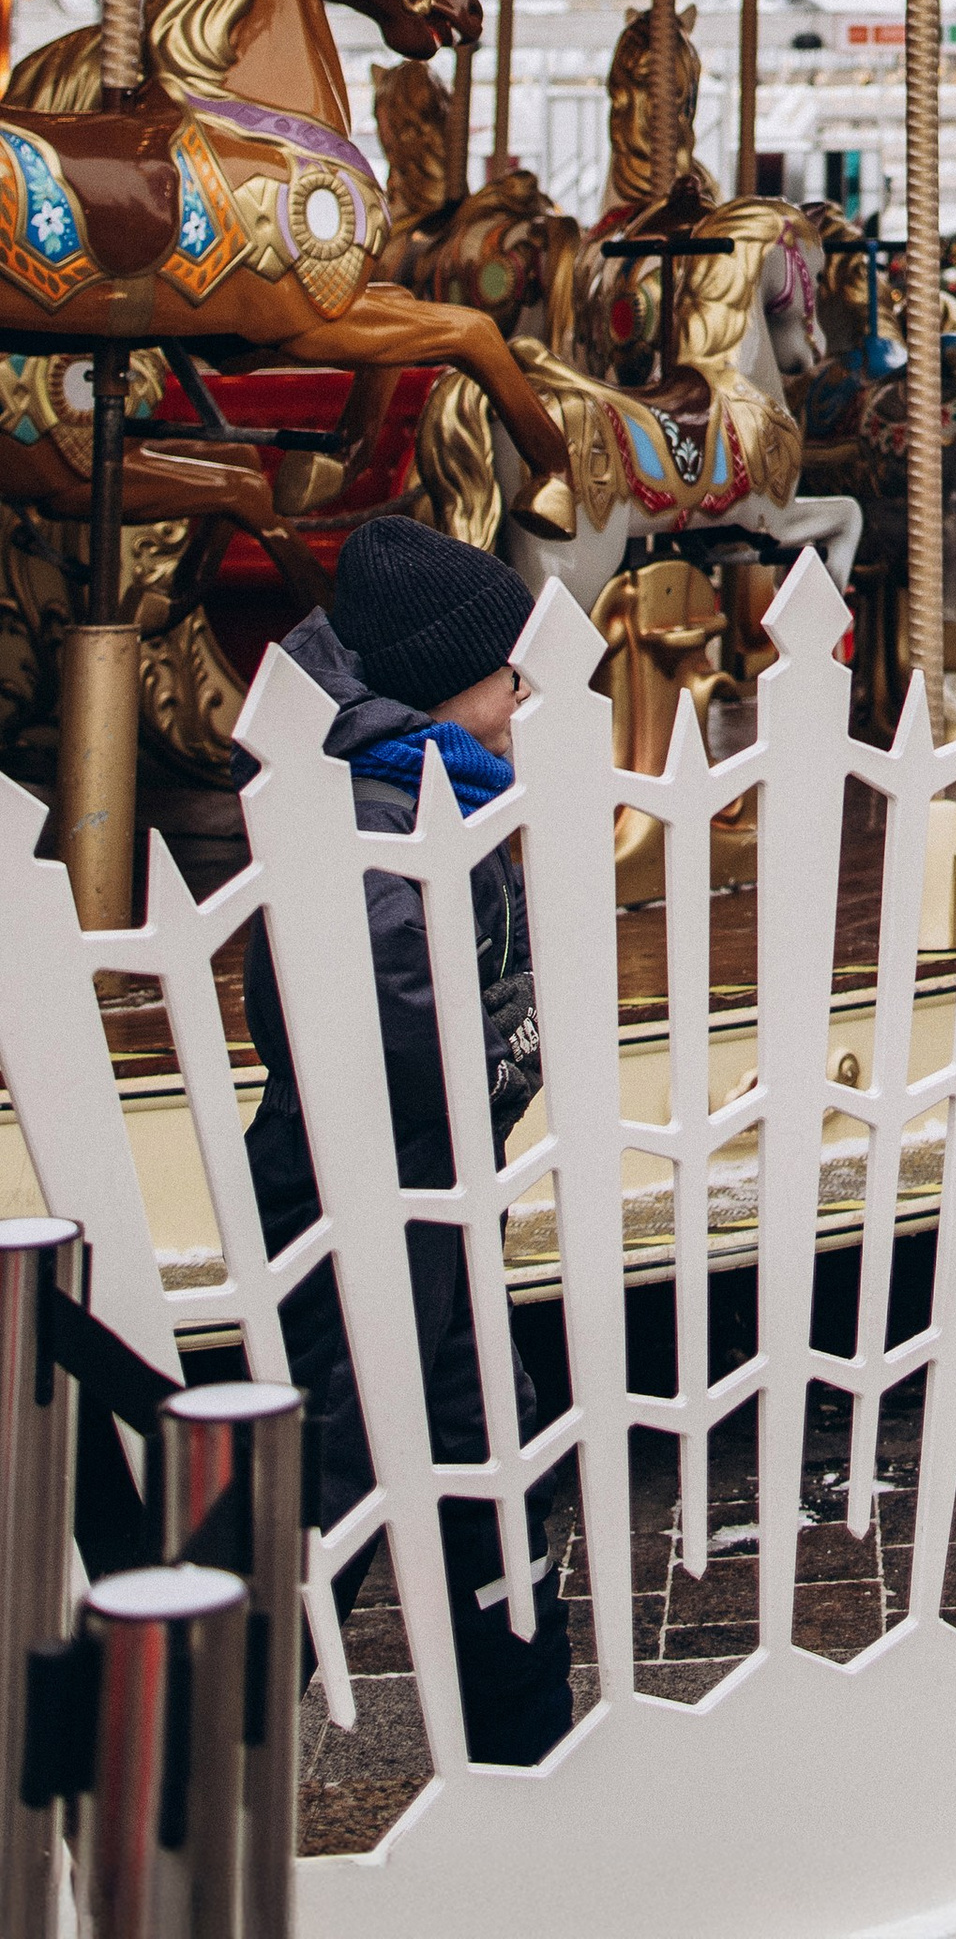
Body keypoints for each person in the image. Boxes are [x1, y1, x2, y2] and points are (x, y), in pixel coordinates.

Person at [242, 516, 573, 1766]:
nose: (521, 696)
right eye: (505, 673)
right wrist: (525, 1037)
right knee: (333, 1470)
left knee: (480, 1433)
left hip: (428, 1212)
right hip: (362, 1211)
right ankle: (215, 1730)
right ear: (447, 681)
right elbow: (412, 1044)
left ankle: (525, 1732)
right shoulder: (384, 819)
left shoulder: (429, 792)